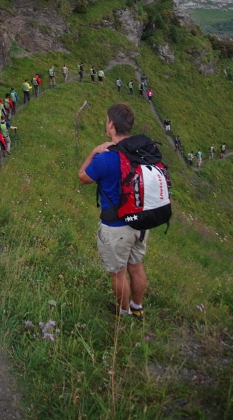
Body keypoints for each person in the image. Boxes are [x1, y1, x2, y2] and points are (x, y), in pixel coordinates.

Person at [78, 103, 147, 320]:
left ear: (112, 125)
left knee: (118, 274)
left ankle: (123, 314)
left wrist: (93, 152)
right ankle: (137, 307)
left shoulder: (105, 157)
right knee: (135, 267)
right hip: (140, 222)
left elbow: (82, 177)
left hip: (116, 226)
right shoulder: (142, 152)